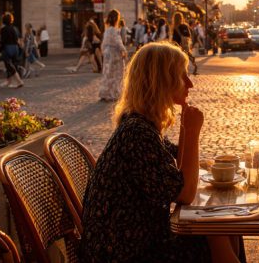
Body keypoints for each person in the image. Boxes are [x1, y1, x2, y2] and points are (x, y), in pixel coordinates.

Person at [80, 42, 240, 263]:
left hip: (128, 242)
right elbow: (185, 193)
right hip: (123, 253)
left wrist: (185, 128)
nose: (190, 84)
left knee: (221, 228)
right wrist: (192, 132)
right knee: (215, 233)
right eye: (182, 76)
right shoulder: (137, 132)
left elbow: (178, 166)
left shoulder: (140, 123)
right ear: (161, 82)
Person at [98, 10, 128, 102]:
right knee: (116, 74)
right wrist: (124, 51)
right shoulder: (115, 30)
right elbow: (118, 42)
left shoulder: (107, 30)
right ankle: (113, 94)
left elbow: (103, 43)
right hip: (115, 54)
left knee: (107, 73)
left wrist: (103, 52)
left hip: (107, 54)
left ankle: (105, 93)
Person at [0, 13, 24, 88]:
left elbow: (3, 40)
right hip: (15, 48)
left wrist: (0, 49)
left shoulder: (3, 29)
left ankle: (19, 81)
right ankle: (9, 81)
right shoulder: (15, 28)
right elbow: (17, 39)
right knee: (13, 65)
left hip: (8, 47)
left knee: (9, 65)